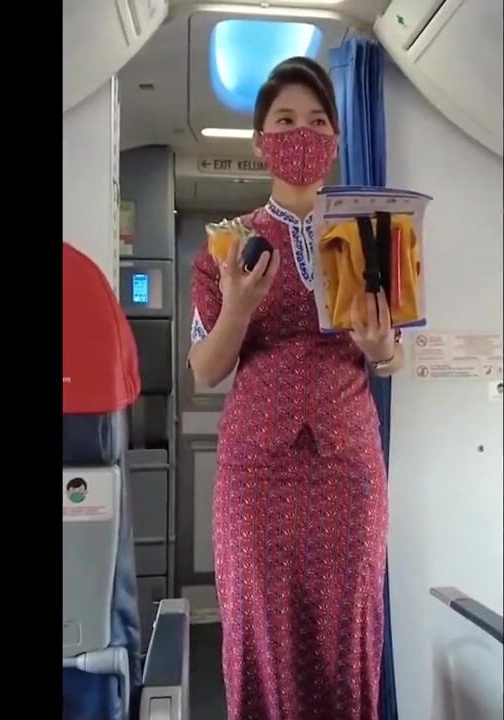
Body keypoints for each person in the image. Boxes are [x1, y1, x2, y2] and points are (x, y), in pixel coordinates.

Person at [188, 56, 404, 720]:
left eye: (316, 121)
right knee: (261, 626)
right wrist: (238, 308)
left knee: (347, 627)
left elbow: (392, 353)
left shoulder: (373, 239)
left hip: (348, 464)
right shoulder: (229, 247)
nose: (301, 133)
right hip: (256, 467)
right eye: (284, 121)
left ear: (335, 139)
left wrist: (380, 349)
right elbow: (205, 370)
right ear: (261, 141)